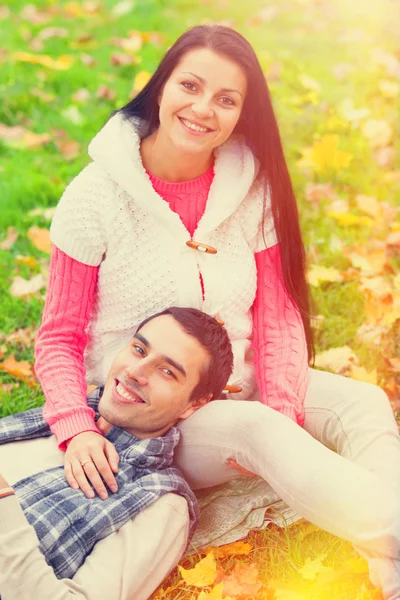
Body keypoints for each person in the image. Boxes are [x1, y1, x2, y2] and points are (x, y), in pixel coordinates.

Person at [33, 24, 400, 599]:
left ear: (241, 114)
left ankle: (390, 552)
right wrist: (75, 430)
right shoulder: (95, 195)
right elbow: (57, 336)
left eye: (226, 100)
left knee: (363, 403)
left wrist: (283, 404)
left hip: (242, 379)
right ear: (162, 87)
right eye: (191, 86)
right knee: (257, 431)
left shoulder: (249, 187)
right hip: (153, 408)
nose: (203, 109)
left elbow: (278, 315)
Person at [0, 307, 234, 600]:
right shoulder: (56, 419)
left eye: (167, 371)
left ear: (194, 404)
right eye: (138, 349)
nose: (135, 372)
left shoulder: (160, 505)